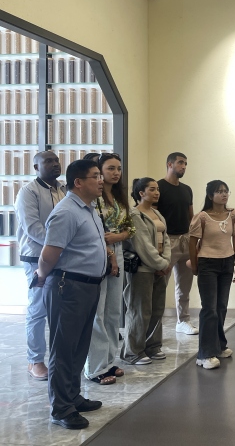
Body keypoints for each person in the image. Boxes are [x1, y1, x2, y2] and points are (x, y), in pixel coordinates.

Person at [36, 159, 113, 429]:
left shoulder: (89, 209)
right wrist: (41, 276)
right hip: (67, 287)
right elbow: (48, 255)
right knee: (63, 349)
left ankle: (72, 396)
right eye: (95, 176)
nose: (101, 180)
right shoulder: (66, 212)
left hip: (88, 286)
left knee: (79, 347)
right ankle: (61, 408)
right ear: (78, 182)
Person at [84, 153, 135, 385]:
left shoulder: (119, 197)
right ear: (100, 170)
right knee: (98, 312)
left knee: (114, 311)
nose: (116, 173)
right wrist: (111, 252)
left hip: (118, 251)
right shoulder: (94, 198)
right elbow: (94, 231)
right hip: (100, 253)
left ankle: (109, 361)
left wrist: (119, 237)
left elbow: (130, 228)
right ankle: (95, 367)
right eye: (110, 168)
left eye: (118, 168)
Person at [15, 151, 66, 381]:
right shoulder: (28, 192)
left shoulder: (64, 189)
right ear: (36, 167)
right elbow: (33, 228)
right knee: (38, 309)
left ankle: (59, 359)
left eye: (56, 161)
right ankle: (34, 360)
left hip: (62, 256)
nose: (55, 164)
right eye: (48, 161)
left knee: (60, 309)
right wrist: (60, 243)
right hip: (36, 258)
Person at [188, 180, 235, 369]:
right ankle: (204, 354)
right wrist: (194, 266)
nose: (224, 194)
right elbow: (192, 243)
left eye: (226, 191)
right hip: (207, 264)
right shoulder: (202, 217)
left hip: (227, 263)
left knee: (221, 307)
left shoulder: (233, 214)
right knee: (209, 309)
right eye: (219, 191)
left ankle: (219, 346)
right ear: (210, 195)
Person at [121, 178, 171, 365]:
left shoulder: (157, 213)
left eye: (157, 189)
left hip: (159, 267)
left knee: (157, 309)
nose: (157, 192)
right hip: (142, 269)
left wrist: (165, 262)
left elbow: (166, 240)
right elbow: (142, 245)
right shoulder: (134, 214)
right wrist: (160, 264)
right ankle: (133, 352)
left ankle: (153, 346)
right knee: (140, 310)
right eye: (152, 189)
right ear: (141, 193)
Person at [156, 152, 197, 335]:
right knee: (160, 284)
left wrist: (194, 241)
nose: (184, 167)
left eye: (186, 164)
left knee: (184, 285)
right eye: (180, 163)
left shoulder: (187, 189)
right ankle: (155, 325)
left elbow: (191, 217)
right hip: (167, 241)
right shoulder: (158, 187)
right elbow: (153, 217)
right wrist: (159, 244)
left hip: (185, 240)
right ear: (169, 164)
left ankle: (183, 320)